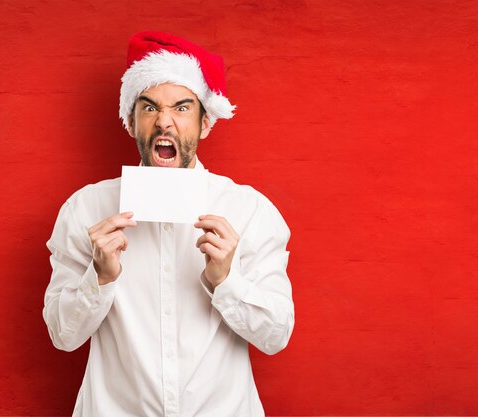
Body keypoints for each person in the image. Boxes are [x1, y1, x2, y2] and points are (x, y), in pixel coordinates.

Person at [43, 31, 295, 417]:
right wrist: (100, 276)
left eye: (181, 108)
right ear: (130, 121)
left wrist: (227, 279)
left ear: (205, 122)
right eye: (149, 108)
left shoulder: (251, 211)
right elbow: (63, 336)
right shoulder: (85, 209)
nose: (164, 122)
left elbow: (275, 336)